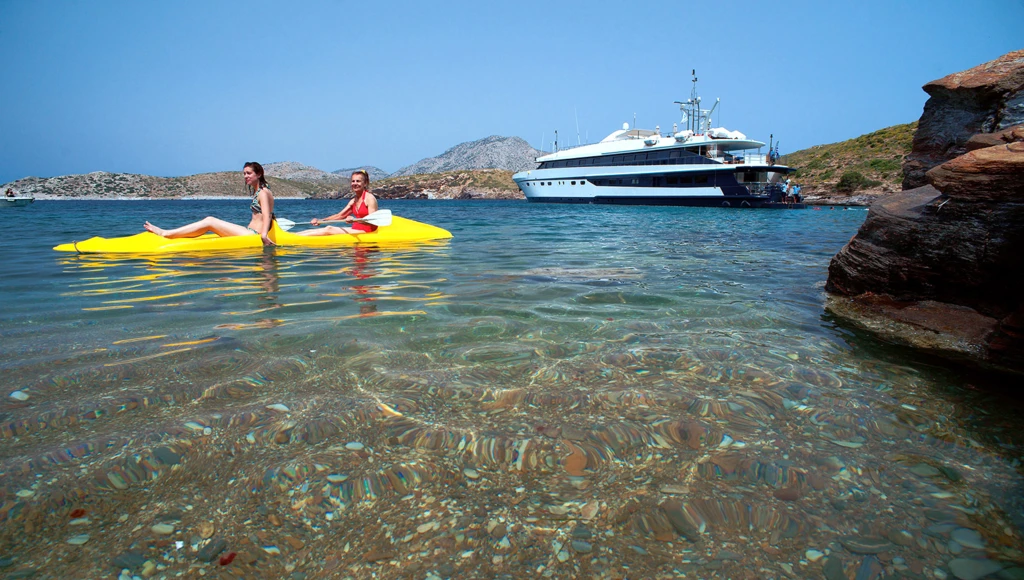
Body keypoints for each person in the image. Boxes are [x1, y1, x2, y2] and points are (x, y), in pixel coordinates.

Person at [144, 162, 275, 246]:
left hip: (253, 235)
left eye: (249, 173)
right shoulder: (260, 191)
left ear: (258, 174)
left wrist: (264, 236)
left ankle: (166, 233)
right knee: (210, 223)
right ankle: (174, 234)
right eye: (244, 173)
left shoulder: (263, 192)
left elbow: (267, 214)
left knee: (210, 221)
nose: (245, 176)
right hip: (249, 232)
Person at [296, 170, 378, 236]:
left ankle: (294, 238)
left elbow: (373, 221)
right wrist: (320, 221)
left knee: (329, 229)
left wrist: (355, 220)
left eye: (358, 181)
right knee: (325, 229)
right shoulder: (353, 201)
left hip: (367, 232)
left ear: (365, 183)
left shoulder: (369, 198)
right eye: (353, 181)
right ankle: (293, 235)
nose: (355, 183)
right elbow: (340, 216)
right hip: (355, 231)